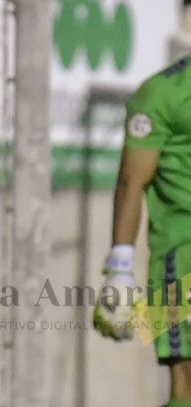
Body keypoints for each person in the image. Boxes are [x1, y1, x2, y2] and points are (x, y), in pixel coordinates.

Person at [93, 54, 191, 407]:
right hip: (180, 264)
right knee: (186, 385)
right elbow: (131, 182)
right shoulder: (161, 92)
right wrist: (119, 270)